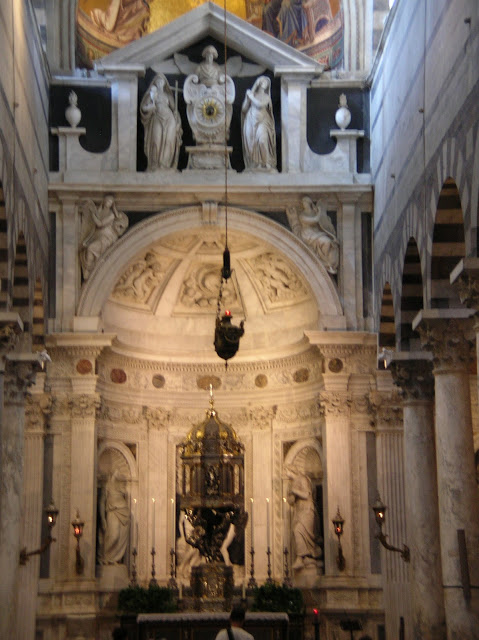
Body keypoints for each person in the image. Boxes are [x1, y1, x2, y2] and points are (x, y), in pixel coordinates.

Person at [80, 196, 128, 280]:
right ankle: (88, 271)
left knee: (90, 248)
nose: (107, 203)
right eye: (107, 201)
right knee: (88, 249)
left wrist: (92, 214)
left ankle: (91, 271)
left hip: (105, 238)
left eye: (110, 202)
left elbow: (100, 224)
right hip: (96, 236)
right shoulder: (100, 211)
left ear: (112, 205)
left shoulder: (112, 215)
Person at [140, 74, 182, 171]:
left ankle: (165, 164)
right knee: (156, 140)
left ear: (164, 83)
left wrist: (176, 116)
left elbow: (174, 109)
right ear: (154, 83)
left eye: (161, 81)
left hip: (169, 118)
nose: (159, 83)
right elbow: (143, 107)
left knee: (169, 140)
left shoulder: (168, 95)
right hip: (157, 118)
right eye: (158, 81)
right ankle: (154, 164)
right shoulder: (151, 94)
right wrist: (151, 107)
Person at [285, 465, 322, 570]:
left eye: (286, 471)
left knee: (298, 530)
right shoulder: (292, 483)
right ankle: (306, 557)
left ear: (291, 470)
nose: (286, 474)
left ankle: (300, 557)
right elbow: (291, 501)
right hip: (299, 511)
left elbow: (306, 494)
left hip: (307, 510)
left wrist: (294, 491)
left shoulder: (303, 479)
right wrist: (291, 496)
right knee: (296, 530)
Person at [241, 76, 277, 171]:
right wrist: (247, 98)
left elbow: (260, 105)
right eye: (262, 82)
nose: (264, 84)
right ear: (258, 83)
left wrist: (251, 97)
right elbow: (244, 109)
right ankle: (256, 164)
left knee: (262, 140)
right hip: (251, 120)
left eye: (266, 83)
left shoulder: (266, 97)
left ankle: (266, 163)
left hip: (263, 121)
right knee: (252, 144)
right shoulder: (252, 94)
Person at [297, 196, 339, 274]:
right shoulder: (302, 215)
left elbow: (321, 223)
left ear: (309, 203)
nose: (304, 204)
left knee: (328, 242)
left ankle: (326, 261)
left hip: (317, 233)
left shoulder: (314, 212)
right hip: (308, 235)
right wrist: (319, 212)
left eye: (305, 202)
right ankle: (324, 261)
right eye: (303, 203)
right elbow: (315, 220)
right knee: (325, 241)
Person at [98, 470, 130, 565]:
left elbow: (126, 496)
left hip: (123, 512)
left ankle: (113, 558)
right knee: (114, 536)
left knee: (121, 537)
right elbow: (102, 502)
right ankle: (104, 557)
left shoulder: (122, 487)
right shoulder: (106, 486)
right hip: (112, 512)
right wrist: (102, 518)